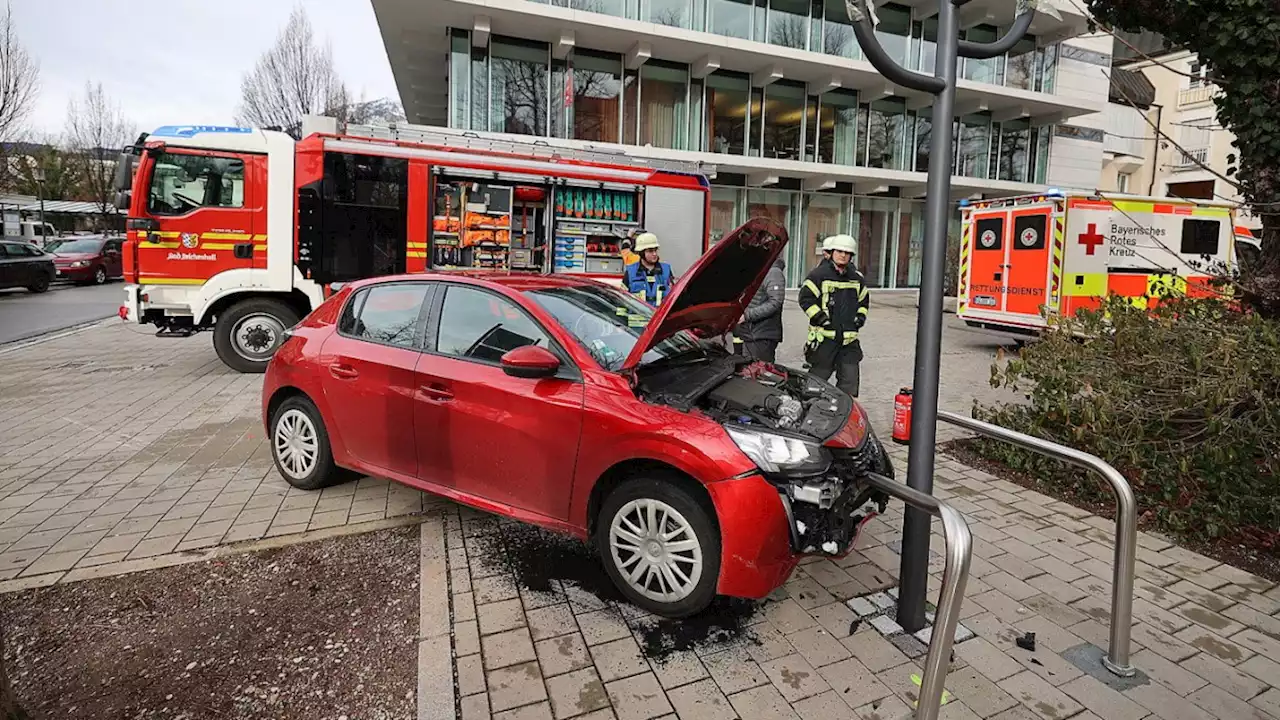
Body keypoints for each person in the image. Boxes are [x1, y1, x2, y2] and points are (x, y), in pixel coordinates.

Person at [798, 234, 869, 397]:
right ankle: (808, 411)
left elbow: (863, 302)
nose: (843, 255)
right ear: (832, 252)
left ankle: (843, 415)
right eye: (839, 251)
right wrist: (821, 318)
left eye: (847, 252)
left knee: (849, 385)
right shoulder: (818, 275)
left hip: (849, 342)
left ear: (851, 255)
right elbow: (806, 299)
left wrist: (860, 318)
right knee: (815, 384)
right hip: (825, 341)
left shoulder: (857, 279)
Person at [732, 256, 786, 362]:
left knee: (760, 372)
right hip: (751, 334)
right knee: (750, 372)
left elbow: (775, 302)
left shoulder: (773, 272)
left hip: (761, 335)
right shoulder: (759, 270)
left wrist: (747, 315)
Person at [623, 232, 676, 306]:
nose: (654, 254)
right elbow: (622, 301)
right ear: (641, 253)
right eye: (650, 251)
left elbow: (673, 297)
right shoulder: (631, 271)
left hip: (659, 317)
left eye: (655, 250)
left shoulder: (666, 270)